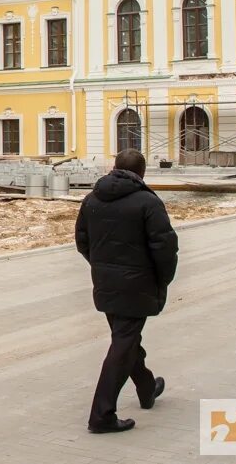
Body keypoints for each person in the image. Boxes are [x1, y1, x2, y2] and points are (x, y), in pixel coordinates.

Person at [75, 149, 178, 434]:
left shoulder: (92, 199)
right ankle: (101, 415)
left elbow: (82, 240)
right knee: (123, 343)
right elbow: (165, 248)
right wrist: (161, 280)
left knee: (126, 338)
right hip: (138, 284)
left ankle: (147, 388)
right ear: (142, 173)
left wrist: (102, 268)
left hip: (107, 283)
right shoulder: (148, 202)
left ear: (114, 168)